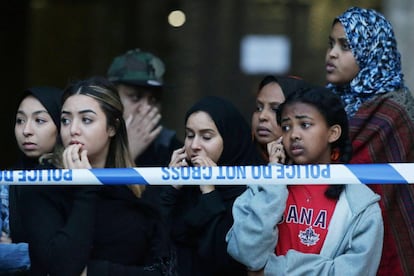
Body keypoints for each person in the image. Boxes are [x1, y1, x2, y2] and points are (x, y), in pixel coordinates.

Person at [20, 76, 175, 275]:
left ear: (112, 127)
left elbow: (162, 269)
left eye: (86, 120)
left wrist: (96, 271)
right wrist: (86, 188)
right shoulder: (43, 183)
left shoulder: (136, 186)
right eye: (66, 120)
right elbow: (63, 268)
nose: (73, 130)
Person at [227, 87, 383, 275]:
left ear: (332, 133)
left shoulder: (361, 204)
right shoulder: (263, 187)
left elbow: (353, 272)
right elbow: (247, 254)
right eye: (286, 127)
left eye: (305, 125)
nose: (293, 135)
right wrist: (274, 180)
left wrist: (271, 270)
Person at [325, 7, 414, 275]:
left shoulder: (393, 111)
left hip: (383, 234)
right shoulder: (328, 103)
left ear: (372, 52)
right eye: (331, 44)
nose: (332, 53)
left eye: (345, 46)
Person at [160, 96, 265, 276]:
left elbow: (225, 259)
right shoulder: (184, 185)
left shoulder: (253, 188)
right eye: (190, 135)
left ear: (229, 138)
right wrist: (171, 188)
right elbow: (153, 242)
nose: (194, 146)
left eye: (206, 137)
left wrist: (209, 192)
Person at [1, 86, 63, 275]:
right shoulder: (6, 181)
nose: (26, 130)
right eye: (20, 120)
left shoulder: (79, 177)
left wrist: (19, 250)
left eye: (40, 120)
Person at [251, 75, 309, 163]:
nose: (262, 116)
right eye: (259, 108)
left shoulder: (323, 166)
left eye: (275, 109)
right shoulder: (240, 160)